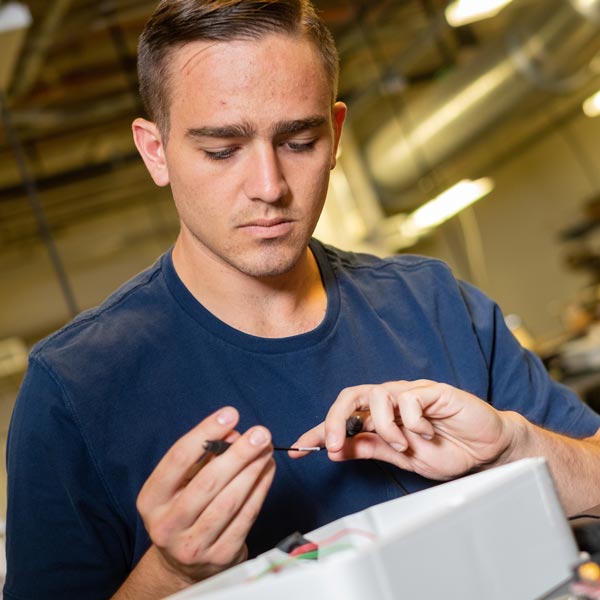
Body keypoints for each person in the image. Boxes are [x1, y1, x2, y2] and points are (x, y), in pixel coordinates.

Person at [4, 0, 600, 598]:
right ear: (155, 151)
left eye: (298, 141)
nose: (269, 188)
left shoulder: (435, 304)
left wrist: (517, 447)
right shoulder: (74, 388)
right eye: (221, 150)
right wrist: (173, 574)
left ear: (336, 134)